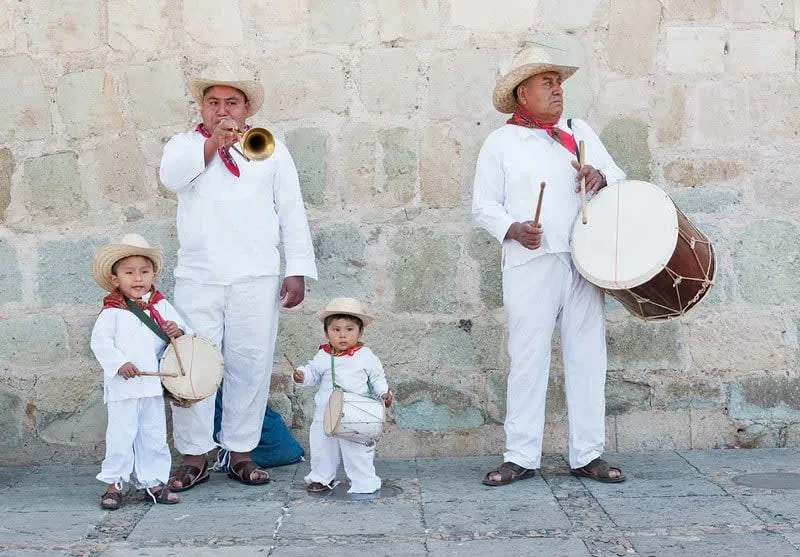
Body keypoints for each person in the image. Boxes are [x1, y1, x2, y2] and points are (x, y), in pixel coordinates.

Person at [472, 46, 627, 485]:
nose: (558, 90)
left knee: (588, 357)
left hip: (583, 261)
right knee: (527, 357)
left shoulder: (579, 131)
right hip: (530, 261)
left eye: (558, 82)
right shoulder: (501, 142)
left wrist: (599, 177)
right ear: (523, 94)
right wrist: (514, 229)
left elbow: (618, 176)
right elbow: (483, 205)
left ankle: (588, 453)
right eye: (547, 83)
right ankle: (520, 454)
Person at [159, 67, 317, 489]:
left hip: (256, 275)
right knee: (191, 366)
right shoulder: (183, 145)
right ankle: (194, 455)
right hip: (199, 275)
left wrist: (297, 269)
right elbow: (172, 180)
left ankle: (241, 453)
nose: (222, 110)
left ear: (246, 108)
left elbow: (291, 210)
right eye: (214, 103)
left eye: (232, 103)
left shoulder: (271, 149)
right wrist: (213, 143)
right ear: (202, 108)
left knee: (250, 363)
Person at [90, 233, 192, 509]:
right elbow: (100, 343)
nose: (138, 278)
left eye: (144, 272)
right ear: (116, 279)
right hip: (123, 387)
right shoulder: (112, 311)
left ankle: (153, 480)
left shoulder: (161, 305)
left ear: (153, 274)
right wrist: (119, 363)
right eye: (129, 272)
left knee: (153, 434)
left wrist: (177, 331)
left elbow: (185, 335)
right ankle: (114, 483)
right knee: (121, 435)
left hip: (152, 385)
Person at [292, 298, 393, 494]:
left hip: (355, 414)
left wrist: (384, 393)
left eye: (349, 329)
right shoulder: (323, 355)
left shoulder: (366, 356)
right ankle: (321, 478)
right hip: (326, 412)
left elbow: (378, 378)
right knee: (322, 447)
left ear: (360, 332)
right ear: (326, 333)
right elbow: (313, 373)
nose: (342, 335)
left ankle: (364, 482)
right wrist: (302, 375)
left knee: (357, 450)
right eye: (336, 330)